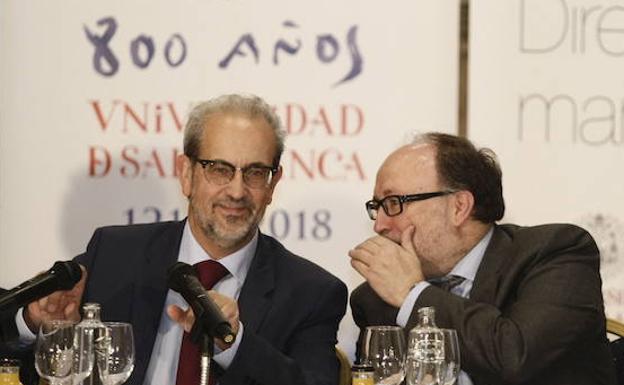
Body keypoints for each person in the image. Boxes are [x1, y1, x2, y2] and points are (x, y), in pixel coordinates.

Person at [12, 94, 348, 385]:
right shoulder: (115, 254)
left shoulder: (311, 292)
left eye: (255, 173)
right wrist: (33, 322)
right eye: (219, 168)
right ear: (186, 173)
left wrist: (235, 344)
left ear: (273, 185)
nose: (236, 190)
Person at [349, 132, 616, 385]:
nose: (380, 225)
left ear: (459, 207)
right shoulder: (374, 299)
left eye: (393, 203)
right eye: (376, 207)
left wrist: (412, 295)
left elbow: (515, 356)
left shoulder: (555, 253)